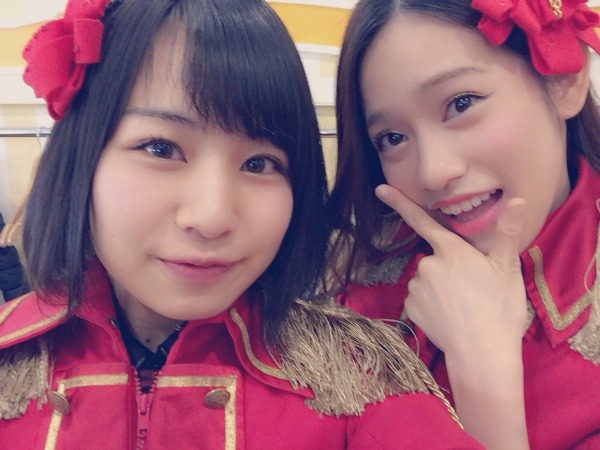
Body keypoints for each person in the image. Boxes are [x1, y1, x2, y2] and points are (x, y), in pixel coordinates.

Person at [0, 0, 484, 448]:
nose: (211, 218)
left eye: (259, 164)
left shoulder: (361, 376)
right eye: (161, 148)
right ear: (82, 159)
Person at [329, 0, 600, 449]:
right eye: (392, 138)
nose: (433, 172)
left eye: (461, 103)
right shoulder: (347, 276)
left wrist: (483, 374)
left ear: (564, 81)